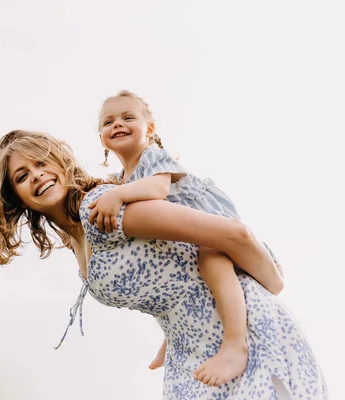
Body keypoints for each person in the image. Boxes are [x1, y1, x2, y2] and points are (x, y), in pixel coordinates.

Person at [0, 130, 327, 398]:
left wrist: (273, 282)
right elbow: (170, 276)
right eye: (22, 176)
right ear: (16, 198)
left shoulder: (99, 209)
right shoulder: (76, 236)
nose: (36, 175)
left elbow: (233, 234)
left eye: (41, 163)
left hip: (242, 339)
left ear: (60, 164)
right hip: (192, 358)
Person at [89, 89, 283, 385]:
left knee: (210, 258)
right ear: (101, 135)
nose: (117, 124)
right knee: (170, 275)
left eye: (128, 117)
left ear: (150, 129)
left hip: (211, 228)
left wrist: (116, 195)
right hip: (184, 239)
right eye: (108, 121)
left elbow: (157, 191)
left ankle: (234, 345)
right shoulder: (119, 180)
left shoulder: (152, 158)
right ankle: (174, 335)